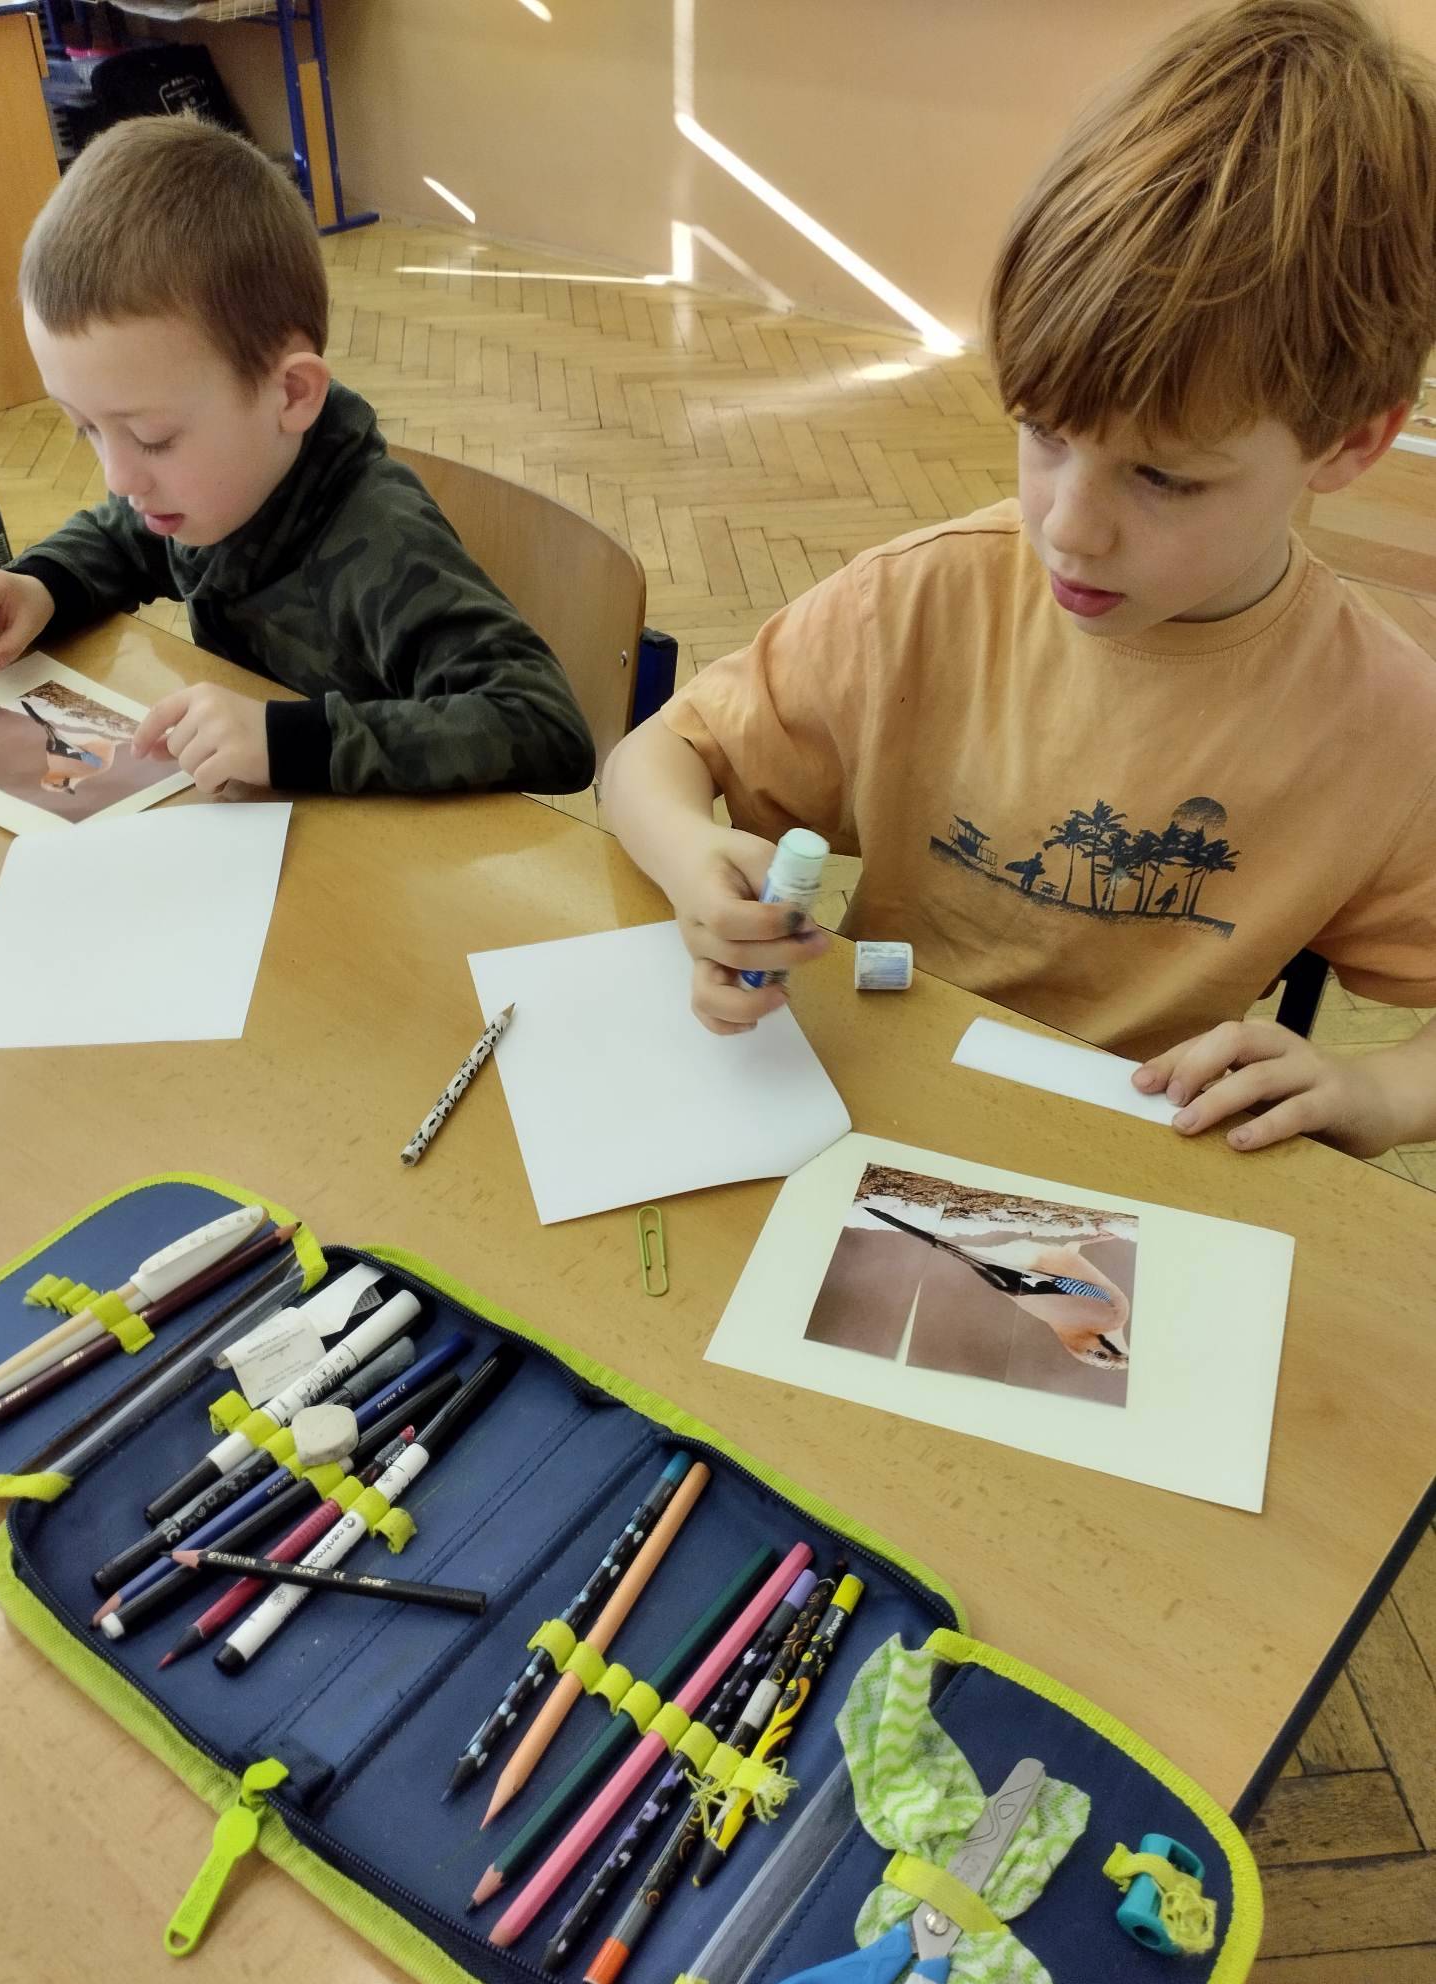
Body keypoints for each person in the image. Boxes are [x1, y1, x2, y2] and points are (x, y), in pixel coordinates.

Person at [602, 0, 1436, 1159]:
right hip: (857, 1104)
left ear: (1350, 441)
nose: (1069, 531)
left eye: (1164, 477)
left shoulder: (1384, 725)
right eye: (1042, 430)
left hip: (1128, 1161)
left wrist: (1381, 1094)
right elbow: (652, 759)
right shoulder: (921, 600)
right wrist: (694, 866)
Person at [0, 118, 595, 801]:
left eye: (153, 436)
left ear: (292, 394)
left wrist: (288, 741)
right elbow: (122, 540)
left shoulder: (382, 543)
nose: (119, 477)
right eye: (85, 429)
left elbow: (544, 724)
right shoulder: (212, 491)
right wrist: (40, 585)